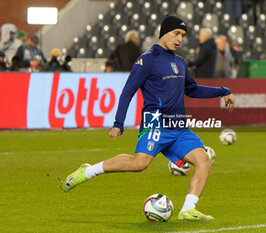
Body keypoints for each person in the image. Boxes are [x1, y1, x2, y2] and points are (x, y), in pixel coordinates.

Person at [62, 15, 235, 221]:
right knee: (139, 164)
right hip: (155, 123)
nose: (179, 39)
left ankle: (188, 209)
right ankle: (89, 171)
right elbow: (128, 92)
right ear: (164, 33)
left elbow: (193, 89)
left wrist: (223, 91)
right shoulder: (147, 60)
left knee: (204, 160)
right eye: (176, 33)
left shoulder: (179, 62)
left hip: (178, 126)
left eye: (183, 36)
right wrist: (119, 123)